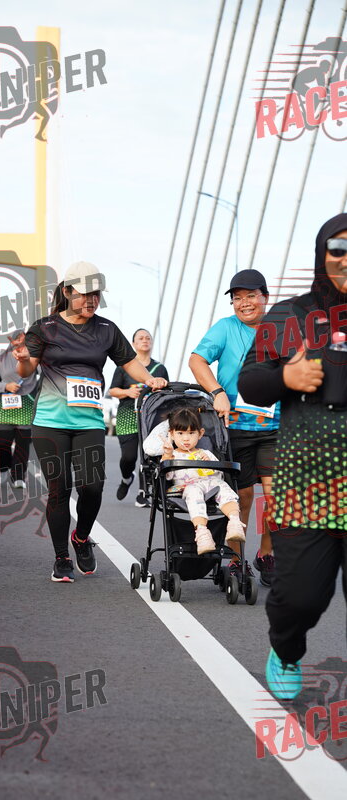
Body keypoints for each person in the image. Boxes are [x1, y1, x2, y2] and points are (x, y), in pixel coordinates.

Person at [238, 213, 347, 700]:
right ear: (323, 254)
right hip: (307, 479)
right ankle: (285, 650)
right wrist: (287, 378)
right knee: (301, 596)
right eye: (339, 248)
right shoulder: (289, 316)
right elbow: (249, 383)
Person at [12, 261, 168, 582]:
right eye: (84, 294)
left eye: (96, 294)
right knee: (59, 489)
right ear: (67, 292)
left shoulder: (106, 329)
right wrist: (25, 360)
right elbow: (26, 370)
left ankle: (81, 538)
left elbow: (129, 362)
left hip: (89, 422)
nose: (91, 300)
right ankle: (61, 557)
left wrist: (150, 380)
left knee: (92, 487)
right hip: (50, 421)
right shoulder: (44, 328)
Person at [189, 269, 281, 586]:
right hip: (235, 428)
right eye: (237, 298)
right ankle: (236, 560)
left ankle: (266, 554)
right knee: (242, 497)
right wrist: (216, 392)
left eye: (250, 296)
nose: (244, 303)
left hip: (274, 428)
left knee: (277, 497)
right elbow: (197, 360)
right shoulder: (225, 328)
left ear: (265, 297)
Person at [143, 407, 246, 554]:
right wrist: (167, 455)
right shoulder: (172, 455)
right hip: (187, 487)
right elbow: (167, 476)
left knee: (224, 487)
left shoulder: (206, 453)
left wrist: (209, 461)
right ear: (171, 434)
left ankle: (234, 521)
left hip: (211, 485)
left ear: (200, 434)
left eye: (191, 433)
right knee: (193, 492)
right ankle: (202, 532)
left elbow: (219, 473)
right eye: (180, 433)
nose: (186, 438)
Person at [109, 328, 169, 507]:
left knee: (149, 456)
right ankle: (127, 478)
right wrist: (128, 392)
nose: (145, 340)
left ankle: (144, 493)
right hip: (128, 416)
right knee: (128, 458)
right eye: (141, 338)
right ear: (133, 344)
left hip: (150, 417)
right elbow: (112, 390)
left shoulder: (160, 368)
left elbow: (167, 393)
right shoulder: (124, 367)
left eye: (148, 338)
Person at [0, 330, 39, 490]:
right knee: (3, 442)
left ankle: (19, 476)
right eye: (19, 339)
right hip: (4, 407)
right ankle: (3, 469)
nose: (22, 342)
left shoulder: (34, 358)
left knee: (23, 443)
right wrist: (6, 386)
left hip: (26, 405)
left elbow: (45, 375)